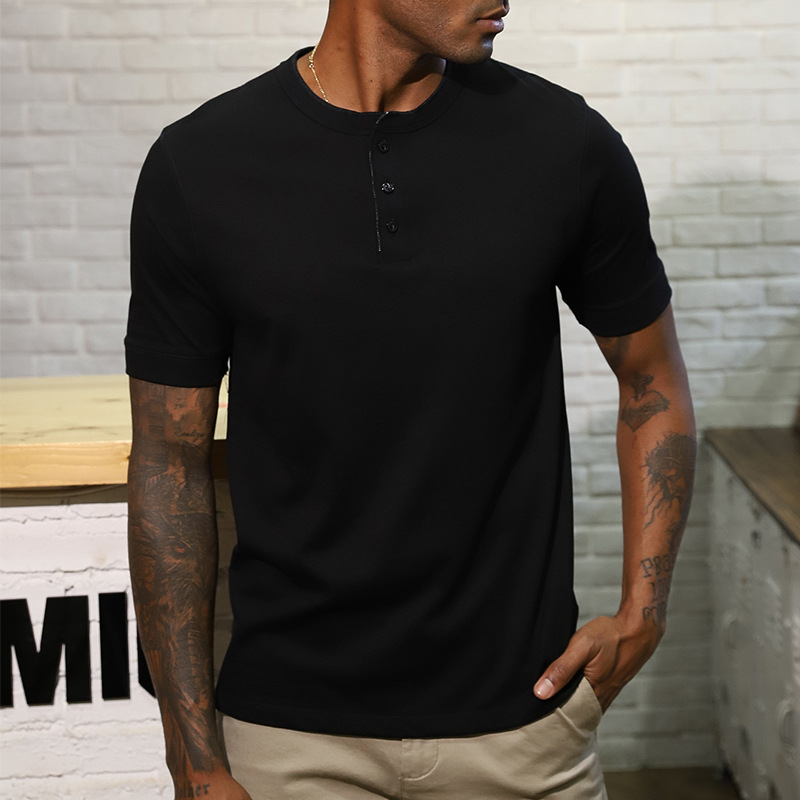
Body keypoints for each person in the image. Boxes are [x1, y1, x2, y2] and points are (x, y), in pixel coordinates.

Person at [125, 1, 696, 798]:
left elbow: (652, 379)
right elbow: (167, 465)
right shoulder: (202, 164)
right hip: (290, 741)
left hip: (524, 731)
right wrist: (191, 757)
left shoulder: (562, 143)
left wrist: (644, 609)